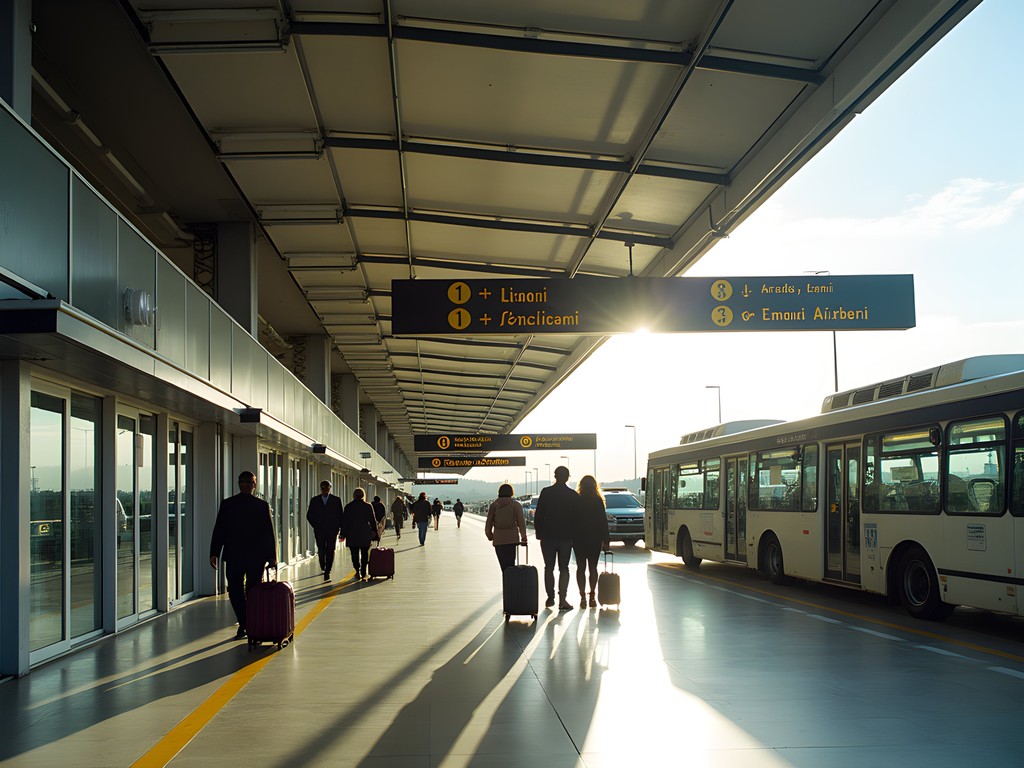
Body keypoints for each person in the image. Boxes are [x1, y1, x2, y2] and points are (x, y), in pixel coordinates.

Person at [209, 471, 278, 639]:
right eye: (243, 481)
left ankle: (249, 624)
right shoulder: (227, 504)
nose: (246, 484)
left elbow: (269, 532)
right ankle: (244, 622)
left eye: (249, 482)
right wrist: (214, 552)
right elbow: (220, 529)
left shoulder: (262, 505)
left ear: (255, 485)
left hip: (256, 556)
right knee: (234, 591)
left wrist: (272, 557)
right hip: (234, 555)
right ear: (238, 484)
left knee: (253, 591)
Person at [533, 465, 579, 611]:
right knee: (564, 568)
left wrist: (539, 533)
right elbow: (578, 518)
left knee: (549, 567)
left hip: (548, 536)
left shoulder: (546, 493)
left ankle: (550, 597)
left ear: (555, 476)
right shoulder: (573, 495)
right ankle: (563, 599)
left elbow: (539, 514)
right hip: (566, 537)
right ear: (567, 478)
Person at [573, 475, 611, 609]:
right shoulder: (598, 500)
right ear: (594, 485)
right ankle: (592, 596)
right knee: (593, 568)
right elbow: (602, 521)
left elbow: (571, 520)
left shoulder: (576, 500)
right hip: (594, 538)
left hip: (578, 539)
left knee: (580, 568)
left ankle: (582, 596)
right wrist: (606, 540)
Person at [485, 484, 528, 571]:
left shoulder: (494, 505)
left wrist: (490, 536)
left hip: (498, 540)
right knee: (511, 565)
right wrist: (523, 537)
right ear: (511, 492)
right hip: (512, 540)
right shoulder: (516, 505)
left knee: (503, 566)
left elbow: (488, 523)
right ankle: (510, 583)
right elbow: (521, 522)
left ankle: (505, 581)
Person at [306, 480, 343, 581]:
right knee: (321, 549)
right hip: (320, 530)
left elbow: (340, 515)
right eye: (322, 488)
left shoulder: (336, 500)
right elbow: (309, 515)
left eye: (326, 488)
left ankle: (328, 570)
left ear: (329, 488)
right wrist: (316, 525)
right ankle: (323, 565)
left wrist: (339, 528)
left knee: (330, 549)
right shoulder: (315, 500)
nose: (324, 490)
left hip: (332, 530)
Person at [342, 488, 378, 580]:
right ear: (363, 495)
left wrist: (343, 534)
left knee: (354, 554)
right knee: (365, 553)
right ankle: (363, 571)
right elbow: (372, 521)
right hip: (364, 533)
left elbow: (345, 522)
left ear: (354, 495)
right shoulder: (368, 506)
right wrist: (375, 532)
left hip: (352, 534)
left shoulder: (348, 507)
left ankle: (357, 571)